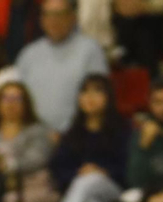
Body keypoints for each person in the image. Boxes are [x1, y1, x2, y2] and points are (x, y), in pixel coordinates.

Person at [51, 73, 131, 202]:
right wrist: (79, 173)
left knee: (92, 179)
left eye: (97, 92)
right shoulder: (72, 132)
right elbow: (58, 169)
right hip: (84, 193)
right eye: (85, 92)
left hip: (115, 192)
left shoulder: (123, 130)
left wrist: (104, 172)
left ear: (108, 97)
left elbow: (128, 169)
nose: (90, 98)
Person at [16, 0, 110, 134]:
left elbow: (99, 98)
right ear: (41, 20)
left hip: (77, 136)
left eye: (59, 14)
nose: (53, 20)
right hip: (33, 136)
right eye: (48, 15)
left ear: (72, 17)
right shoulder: (28, 54)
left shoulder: (90, 50)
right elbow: (17, 97)